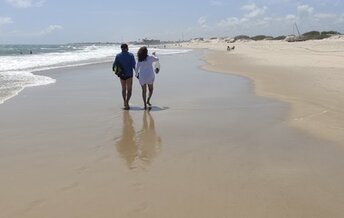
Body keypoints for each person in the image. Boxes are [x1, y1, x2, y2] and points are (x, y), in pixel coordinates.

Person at [112, 43, 136, 110]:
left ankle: (124, 101)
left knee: (123, 89)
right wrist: (137, 73)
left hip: (121, 75)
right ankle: (127, 102)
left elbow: (114, 65)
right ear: (126, 48)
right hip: (129, 75)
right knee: (129, 90)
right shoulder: (131, 55)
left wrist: (116, 72)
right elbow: (134, 65)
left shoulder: (118, 56)